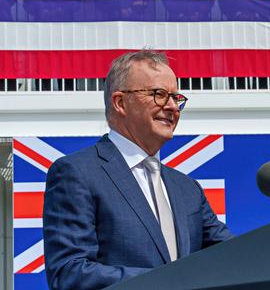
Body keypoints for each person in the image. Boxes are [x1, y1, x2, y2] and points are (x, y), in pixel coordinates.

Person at [43, 50, 233, 289]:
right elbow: (69, 272)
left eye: (176, 97)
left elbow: (234, 254)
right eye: (159, 95)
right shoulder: (77, 173)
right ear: (120, 102)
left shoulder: (187, 189)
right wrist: (167, 282)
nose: (173, 106)